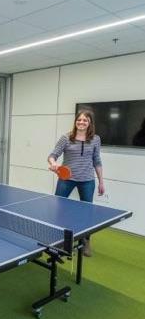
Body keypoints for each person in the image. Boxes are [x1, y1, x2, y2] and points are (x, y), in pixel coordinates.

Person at [47, 106, 104, 257]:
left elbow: (97, 161)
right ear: (75, 122)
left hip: (87, 181)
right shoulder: (66, 138)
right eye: (79, 119)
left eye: (85, 120)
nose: (82, 122)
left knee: (86, 213)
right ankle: (57, 239)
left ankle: (86, 242)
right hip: (67, 179)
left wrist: (101, 182)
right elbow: (53, 155)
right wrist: (53, 163)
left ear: (90, 123)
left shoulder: (96, 139)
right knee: (59, 209)